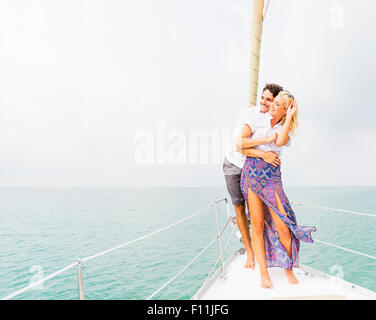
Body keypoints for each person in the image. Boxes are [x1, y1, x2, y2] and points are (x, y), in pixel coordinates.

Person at [237, 91, 316, 288]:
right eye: (273, 101)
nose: (271, 105)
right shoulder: (257, 119)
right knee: (257, 225)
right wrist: (263, 150)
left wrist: (289, 116)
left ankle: (287, 268)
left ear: (284, 109)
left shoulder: (283, 128)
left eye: (277, 104)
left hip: (272, 178)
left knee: (283, 227)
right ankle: (263, 273)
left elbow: (280, 141)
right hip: (252, 173)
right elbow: (240, 144)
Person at [223, 83, 284, 269]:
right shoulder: (250, 114)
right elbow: (239, 145)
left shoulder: (276, 122)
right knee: (239, 209)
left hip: (254, 169)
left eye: (269, 100)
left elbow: (276, 146)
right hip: (234, 164)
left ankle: (267, 252)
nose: (264, 103)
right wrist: (263, 154)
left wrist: (268, 155)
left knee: (260, 213)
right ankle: (249, 252)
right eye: (263, 98)